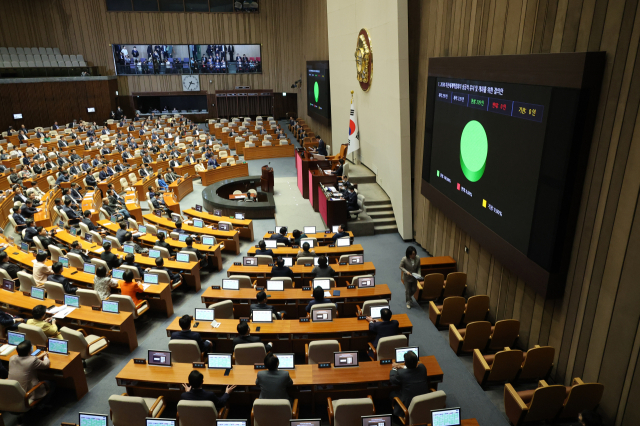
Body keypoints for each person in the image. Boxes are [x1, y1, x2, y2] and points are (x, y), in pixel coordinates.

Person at [9, 340, 55, 407]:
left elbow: (27, 360)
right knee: (52, 383)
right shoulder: (32, 360)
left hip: (14, 393)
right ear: (30, 350)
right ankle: (42, 405)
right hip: (28, 394)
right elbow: (46, 365)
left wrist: (38, 357)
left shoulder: (12, 358)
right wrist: (45, 357)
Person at [389, 351, 430, 418]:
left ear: (405, 362)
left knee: (392, 393)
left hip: (408, 406)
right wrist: (402, 366)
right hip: (423, 402)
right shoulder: (423, 368)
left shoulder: (401, 374)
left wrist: (394, 368)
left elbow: (392, 380)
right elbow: (415, 367)